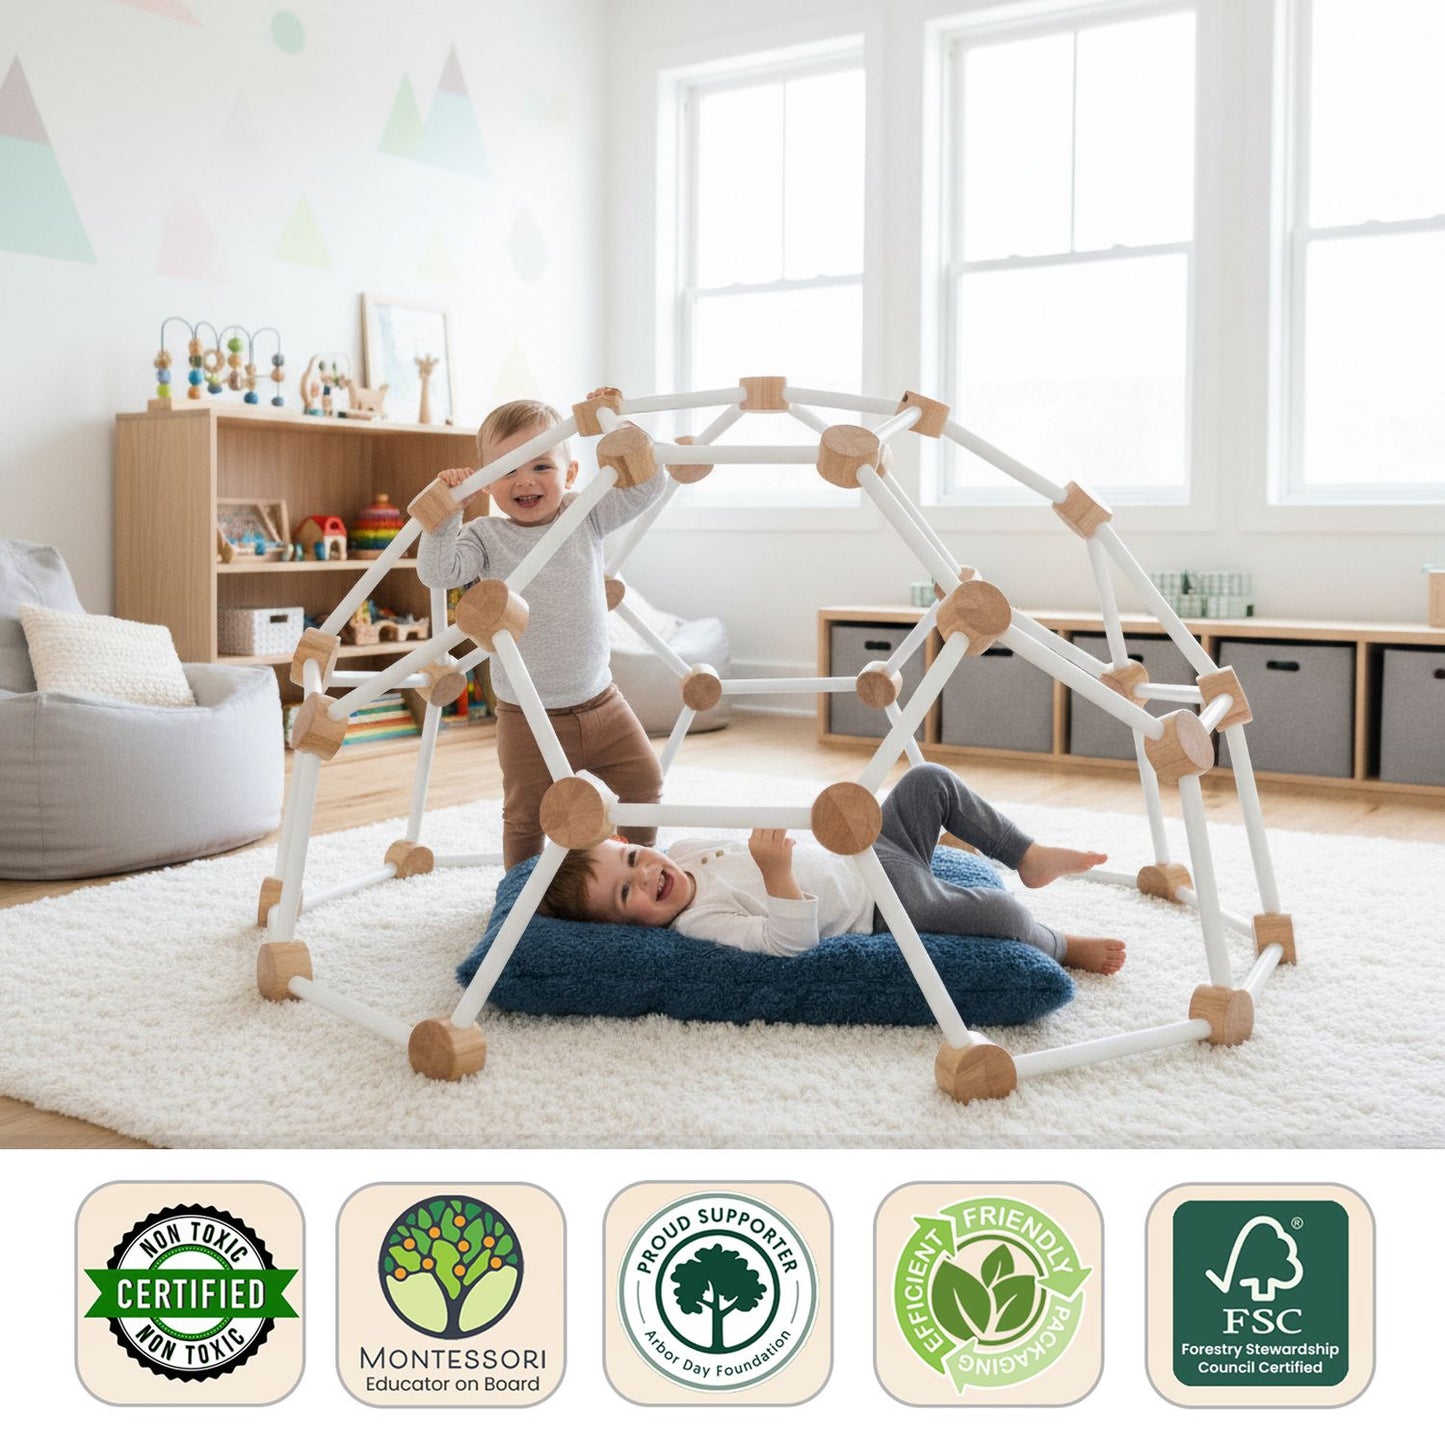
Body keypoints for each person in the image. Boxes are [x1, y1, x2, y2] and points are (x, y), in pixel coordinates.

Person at [538, 763, 1125, 973]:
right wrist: (776, 876)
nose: (643, 876)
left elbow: (592, 788)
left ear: (627, 839)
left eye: (633, 858)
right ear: (625, 930)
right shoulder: (699, 922)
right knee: (1000, 912)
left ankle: (1027, 856)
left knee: (928, 781)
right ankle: (1059, 944)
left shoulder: (686, 847)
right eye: (624, 896)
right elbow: (788, 944)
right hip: (885, 903)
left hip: (868, 849)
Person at [417, 395, 665, 869]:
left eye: (541, 466)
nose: (525, 481)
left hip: (602, 701)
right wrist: (449, 512)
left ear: (570, 475)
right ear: (485, 480)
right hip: (525, 715)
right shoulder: (485, 536)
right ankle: (520, 897)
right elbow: (438, 571)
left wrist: (618, 429)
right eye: (508, 469)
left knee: (646, 784)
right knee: (524, 816)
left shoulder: (584, 512)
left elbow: (648, 485)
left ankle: (637, 862)